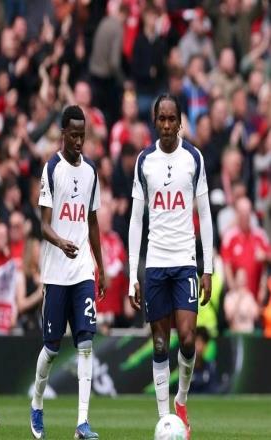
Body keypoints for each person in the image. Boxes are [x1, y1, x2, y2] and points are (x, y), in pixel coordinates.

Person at [128, 94, 213, 439]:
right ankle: (165, 419)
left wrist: (208, 268)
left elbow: (205, 213)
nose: (166, 125)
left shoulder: (193, 158)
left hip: (185, 262)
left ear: (179, 122)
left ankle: (181, 401)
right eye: (161, 119)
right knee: (161, 345)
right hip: (156, 264)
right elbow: (136, 220)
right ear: (155, 122)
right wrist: (133, 273)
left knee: (188, 340)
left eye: (171, 119)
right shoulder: (144, 161)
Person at [30, 105, 106, 440]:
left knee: (86, 343)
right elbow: (44, 225)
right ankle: (37, 403)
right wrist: (61, 243)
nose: (78, 141)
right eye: (73, 135)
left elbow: (93, 222)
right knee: (51, 348)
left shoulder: (91, 171)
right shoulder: (52, 169)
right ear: (63, 133)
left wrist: (100, 266)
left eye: (82, 135)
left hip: (82, 270)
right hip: (56, 272)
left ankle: (82, 422)